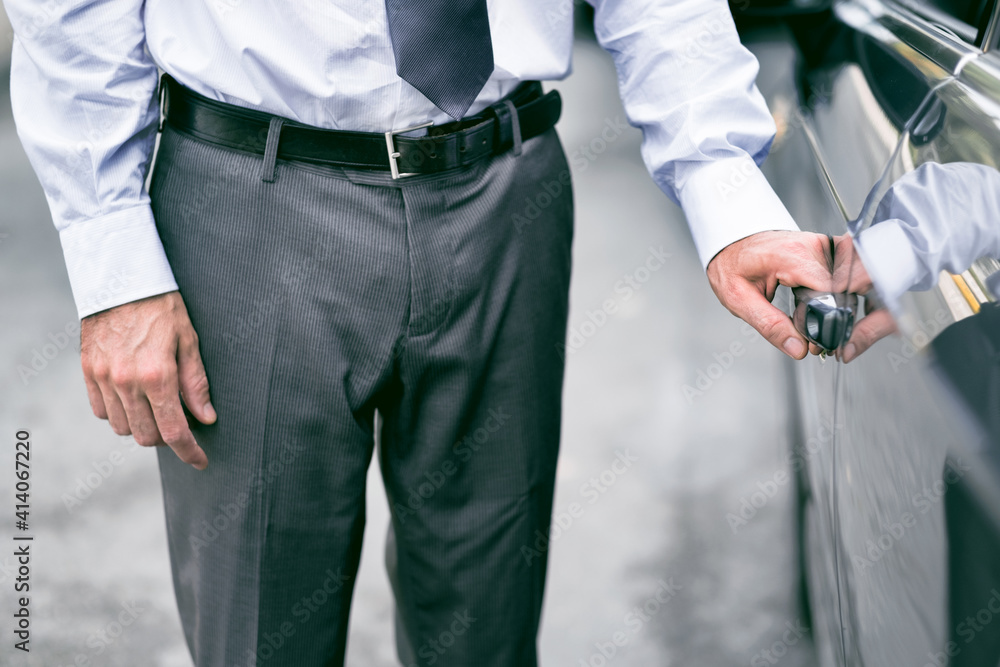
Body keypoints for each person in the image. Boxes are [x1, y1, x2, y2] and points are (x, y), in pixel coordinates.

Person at [6, 0, 832, 665]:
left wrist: (725, 191)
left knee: (487, 624)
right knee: (261, 627)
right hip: (253, 204)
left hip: (506, 192)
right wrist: (113, 256)